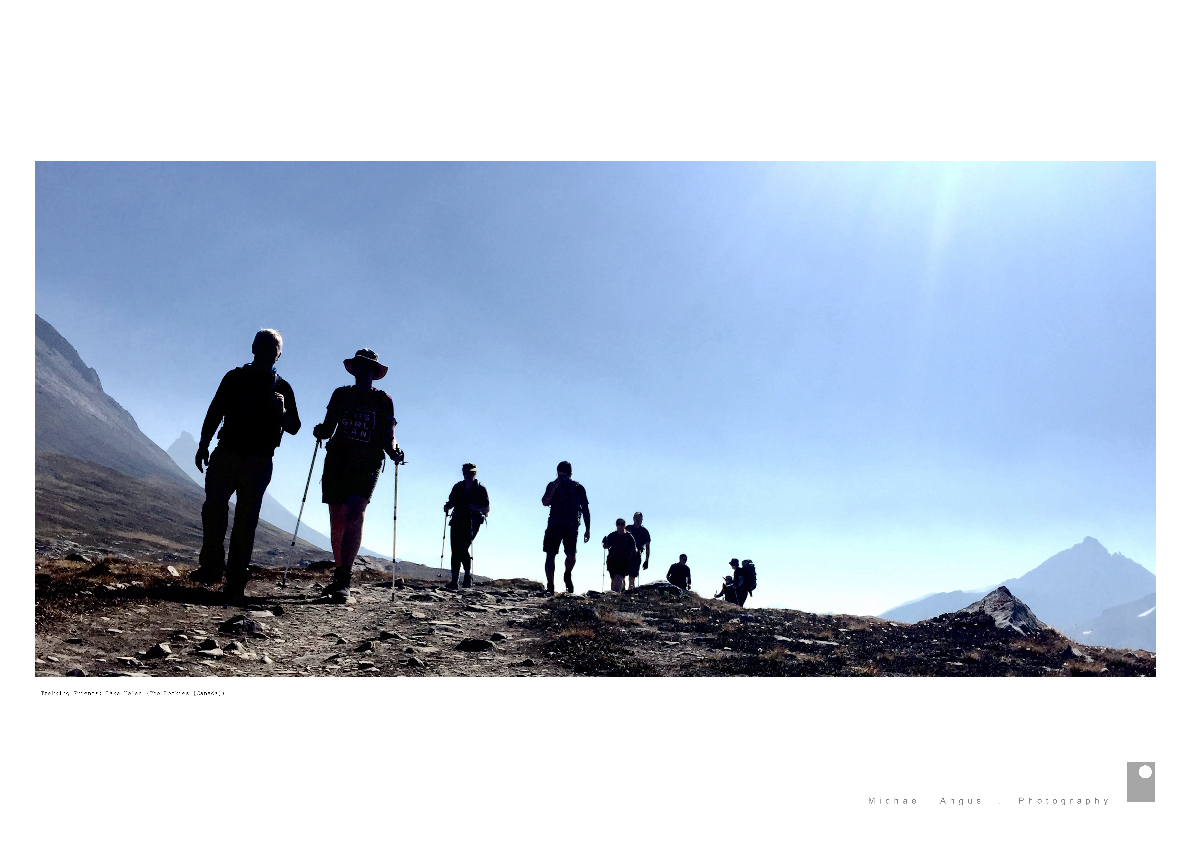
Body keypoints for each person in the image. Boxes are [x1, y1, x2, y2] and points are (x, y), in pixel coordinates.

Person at [192, 329, 301, 602]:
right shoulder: (235, 378)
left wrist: (282, 413)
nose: (267, 350)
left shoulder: (282, 388)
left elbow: (295, 427)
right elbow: (215, 409)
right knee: (214, 510)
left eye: (272, 346)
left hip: (258, 460)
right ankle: (213, 569)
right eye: (263, 345)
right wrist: (204, 444)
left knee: (244, 520)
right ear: (253, 348)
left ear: (279, 354)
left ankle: (235, 579)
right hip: (227, 453)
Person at [312, 349, 403, 603]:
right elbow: (328, 427)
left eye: (368, 369)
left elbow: (388, 436)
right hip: (337, 460)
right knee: (337, 517)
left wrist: (395, 450)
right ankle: (340, 575)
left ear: (374, 373)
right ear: (355, 370)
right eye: (360, 367)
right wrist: (320, 431)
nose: (364, 372)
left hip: (367, 464)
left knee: (355, 512)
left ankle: (344, 578)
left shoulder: (383, 401)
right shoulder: (340, 395)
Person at [541, 460, 590, 593]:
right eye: (559, 475)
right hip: (554, 524)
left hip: (571, 526)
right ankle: (550, 584)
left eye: (564, 476)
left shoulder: (578, 488)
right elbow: (545, 502)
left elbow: (585, 509)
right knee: (550, 555)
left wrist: (588, 529)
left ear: (570, 474)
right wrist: (554, 488)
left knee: (571, 556)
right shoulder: (552, 485)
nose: (561, 478)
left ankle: (567, 574)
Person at [443, 462, 489, 589]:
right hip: (457, 519)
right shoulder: (458, 487)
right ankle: (456, 580)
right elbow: (452, 501)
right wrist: (447, 506)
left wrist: (476, 508)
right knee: (455, 549)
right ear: (463, 473)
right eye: (466, 473)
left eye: (471, 473)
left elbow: (487, 508)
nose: (468, 475)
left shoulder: (480, 489)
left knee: (462, 548)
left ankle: (466, 578)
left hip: (472, 521)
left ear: (475, 473)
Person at [602, 518, 639, 592]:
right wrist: (605, 543)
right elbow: (606, 546)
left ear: (624, 525)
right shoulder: (612, 535)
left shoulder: (629, 536)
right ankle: (619, 592)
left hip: (623, 560)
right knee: (614, 578)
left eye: (622, 524)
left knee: (618, 577)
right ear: (616, 525)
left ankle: (615, 594)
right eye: (618, 524)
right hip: (612, 560)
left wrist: (634, 553)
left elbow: (634, 548)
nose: (620, 526)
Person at [627, 511, 651, 588]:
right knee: (622, 574)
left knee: (632, 575)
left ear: (642, 519)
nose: (638, 520)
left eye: (639, 518)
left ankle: (630, 590)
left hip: (636, 555)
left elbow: (647, 547)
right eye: (636, 518)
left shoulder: (644, 532)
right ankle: (623, 591)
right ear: (633, 519)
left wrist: (647, 560)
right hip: (625, 554)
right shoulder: (628, 528)